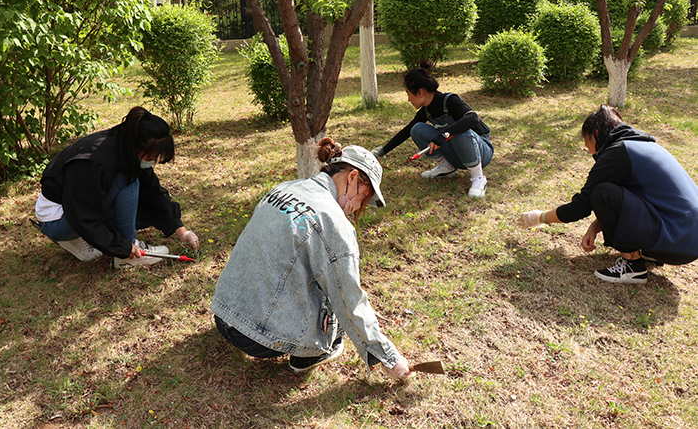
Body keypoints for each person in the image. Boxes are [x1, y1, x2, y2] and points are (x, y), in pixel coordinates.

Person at [211, 138, 413, 379]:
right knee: (335, 288)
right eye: (363, 198)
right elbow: (349, 300)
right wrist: (389, 358)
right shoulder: (333, 221)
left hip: (223, 315)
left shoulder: (284, 187)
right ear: (352, 178)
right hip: (258, 340)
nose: (358, 207)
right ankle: (310, 354)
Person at [518, 105, 698, 284]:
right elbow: (632, 200)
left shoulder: (619, 152)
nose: (590, 151)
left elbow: (582, 206)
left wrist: (539, 217)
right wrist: (595, 227)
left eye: (587, 142)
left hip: (675, 239)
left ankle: (633, 267)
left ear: (595, 134)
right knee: (606, 192)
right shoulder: (644, 146)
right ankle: (648, 253)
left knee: (602, 192)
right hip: (687, 242)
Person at [35, 106, 200, 268]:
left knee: (146, 211)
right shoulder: (94, 163)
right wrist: (123, 248)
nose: (153, 161)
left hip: (75, 209)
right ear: (139, 147)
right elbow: (80, 215)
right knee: (128, 180)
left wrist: (181, 231)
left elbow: (152, 192)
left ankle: (83, 239)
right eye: (152, 156)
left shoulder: (126, 146)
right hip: (57, 219)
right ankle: (128, 256)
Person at [371, 60, 494, 198]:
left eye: (408, 94)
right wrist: (382, 151)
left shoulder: (450, 100)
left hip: (481, 153)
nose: (408, 100)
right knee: (417, 129)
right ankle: (446, 168)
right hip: (457, 155)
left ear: (420, 92)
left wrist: (444, 133)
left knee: (459, 131)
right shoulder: (426, 110)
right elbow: (406, 131)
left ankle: (478, 178)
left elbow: (473, 119)